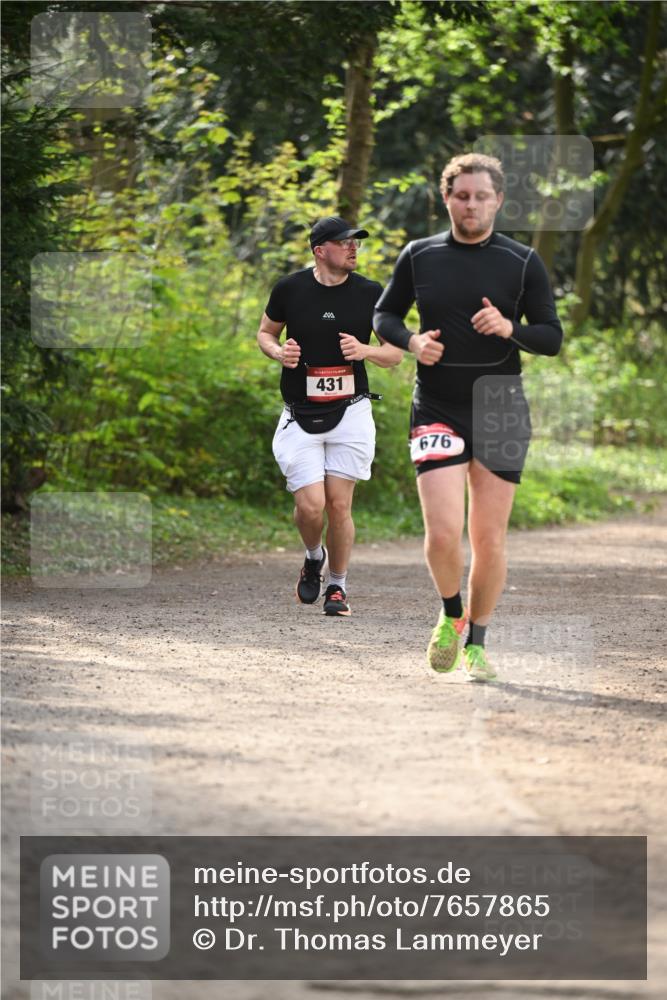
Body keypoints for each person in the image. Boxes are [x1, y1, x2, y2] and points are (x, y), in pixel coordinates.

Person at [374, 153, 563, 680]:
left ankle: (477, 643)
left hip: (501, 407)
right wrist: (411, 341)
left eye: (482, 196)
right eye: (462, 195)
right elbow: (384, 314)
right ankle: (451, 615)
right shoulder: (419, 255)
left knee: (488, 539)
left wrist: (510, 328)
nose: (472, 205)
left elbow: (551, 335)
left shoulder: (522, 261)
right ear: (447, 198)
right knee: (441, 533)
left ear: (498, 200)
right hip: (436, 402)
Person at [257, 216, 402, 616]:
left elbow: (395, 353)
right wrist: (277, 352)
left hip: (351, 412)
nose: (354, 248)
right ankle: (313, 555)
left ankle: (337, 587)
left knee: (339, 506)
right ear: (320, 250)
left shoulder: (372, 293)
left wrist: (366, 351)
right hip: (298, 413)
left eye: (356, 242)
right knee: (310, 507)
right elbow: (265, 334)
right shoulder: (289, 288)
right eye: (345, 243)